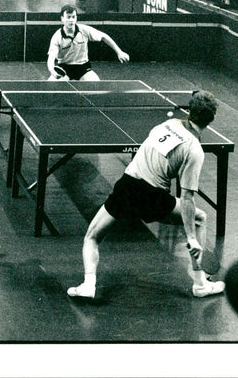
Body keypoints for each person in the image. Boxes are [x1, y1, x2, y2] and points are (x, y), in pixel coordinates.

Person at [67, 91, 226, 299]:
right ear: (211, 119)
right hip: (152, 197)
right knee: (200, 218)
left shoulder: (166, 125)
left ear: (188, 111)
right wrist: (191, 238)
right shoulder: (194, 151)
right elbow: (187, 198)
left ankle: (89, 284)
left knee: (92, 236)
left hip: (127, 185)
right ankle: (200, 284)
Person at [46, 5, 130, 81]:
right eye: (68, 17)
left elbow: (104, 36)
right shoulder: (57, 37)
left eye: (73, 17)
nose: (71, 20)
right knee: (49, 87)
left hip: (82, 67)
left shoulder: (84, 30)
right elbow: (51, 59)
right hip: (65, 68)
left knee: (97, 86)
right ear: (62, 18)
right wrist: (52, 71)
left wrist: (119, 52)